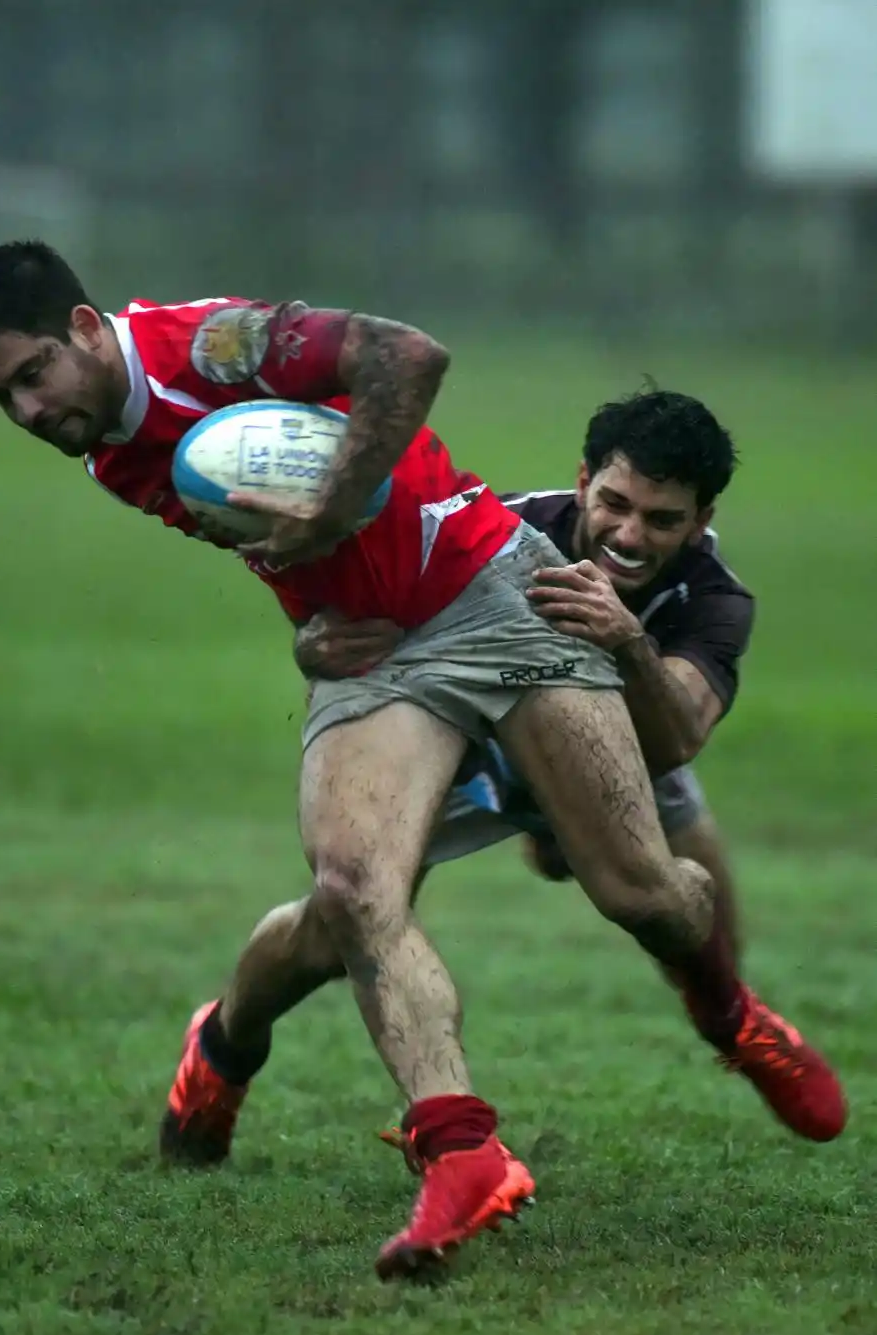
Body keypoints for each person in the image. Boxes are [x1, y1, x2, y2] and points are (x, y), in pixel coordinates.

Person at [0, 242, 752, 1280]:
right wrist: (311, 628)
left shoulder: (216, 350)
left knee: (643, 892)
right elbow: (269, 542)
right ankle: (460, 1152)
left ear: (87, 330)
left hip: (495, 595)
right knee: (353, 888)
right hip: (379, 655)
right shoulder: (102, 444)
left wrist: (326, 514)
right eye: (0, 396)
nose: (27, 412)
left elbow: (408, 357)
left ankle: (722, 1003)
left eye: (33, 373)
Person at [161, 391, 847, 1198]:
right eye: (615, 504)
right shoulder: (491, 532)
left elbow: (673, 741)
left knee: (679, 892)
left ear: (700, 521)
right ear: (583, 479)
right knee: (335, 925)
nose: (629, 536)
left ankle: (728, 1013)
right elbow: (350, 623)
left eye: (662, 520)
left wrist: (628, 640)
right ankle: (223, 1047)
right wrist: (314, 639)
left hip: (625, 744)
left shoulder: (711, 597)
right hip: (466, 754)